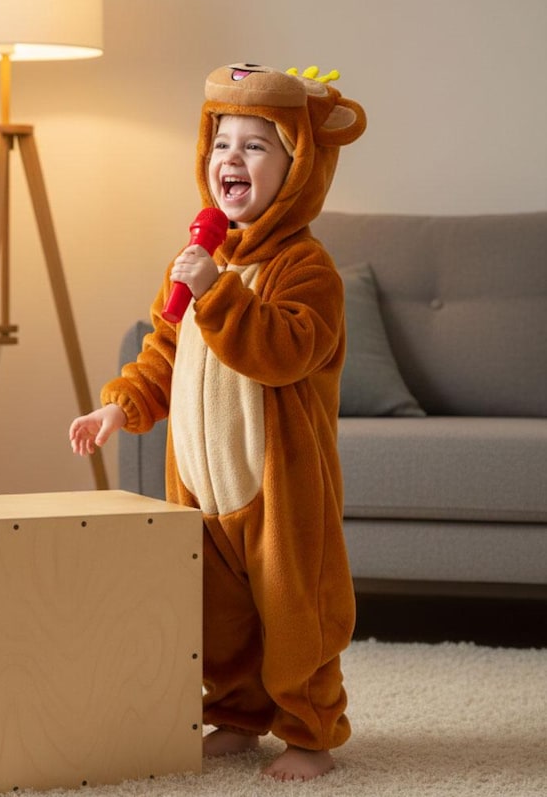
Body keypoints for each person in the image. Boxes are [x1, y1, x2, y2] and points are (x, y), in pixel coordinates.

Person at [69, 63, 366, 782]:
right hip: (201, 482)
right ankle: (235, 714)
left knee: (296, 611)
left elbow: (286, 350)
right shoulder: (199, 260)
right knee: (217, 612)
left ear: (296, 168)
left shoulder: (307, 268)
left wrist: (218, 291)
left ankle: (310, 730)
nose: (230, 159)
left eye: (255, 146)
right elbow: (164, 345)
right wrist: (123, 403)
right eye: (220, 143)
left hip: (277, 486)